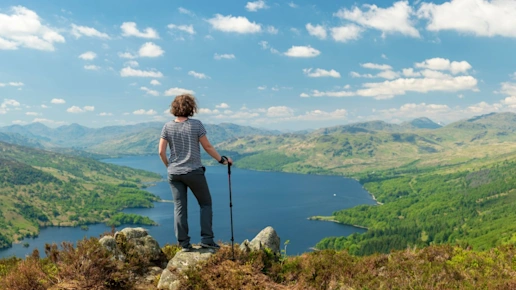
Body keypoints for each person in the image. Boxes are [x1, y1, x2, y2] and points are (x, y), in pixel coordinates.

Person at [158, 94, 233, 252]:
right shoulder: (196, 125)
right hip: (193, 172)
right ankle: (207, 240)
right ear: (191, 108)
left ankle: (184, 244)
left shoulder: (167, 127)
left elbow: (161, 152)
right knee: (205, 204)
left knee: (179, 207)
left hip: (174, 173)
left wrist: (169, 166)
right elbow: (207, 147)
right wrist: (222, 160)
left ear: (174, 108)